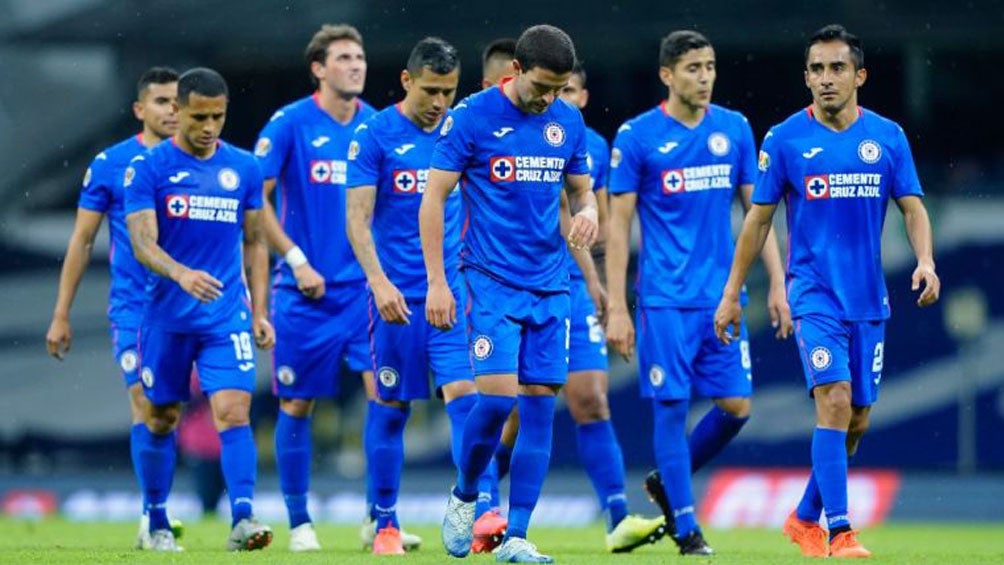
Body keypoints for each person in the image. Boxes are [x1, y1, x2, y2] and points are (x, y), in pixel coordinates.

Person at [713, 24, 940, 559]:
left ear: (859, 75)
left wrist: (926, 261)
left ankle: (803, 516)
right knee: (834, 401)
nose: (825, 79)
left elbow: (914, 208)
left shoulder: (887, 137)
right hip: (813, 296)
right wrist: (731, 293)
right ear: (806, 78)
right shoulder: (785, 139)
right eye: (816, 69)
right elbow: (756, 223)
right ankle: (840, 532)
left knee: (857, 418)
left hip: (868, 299)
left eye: (837, 68)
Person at [605, 30, 791, 555]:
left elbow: (758, 213)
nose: (705, 77)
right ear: (667, 75)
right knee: (670, 408)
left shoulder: (733, 129)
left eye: (710, 66)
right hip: (664, 300)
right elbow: (618, 227)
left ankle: (669, 480)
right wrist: (617, 306)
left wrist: (777, 281)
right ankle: (687, 529)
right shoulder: (638, 136)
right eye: (692, 68)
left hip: (721, 299)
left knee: (736, 406)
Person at [422, 24, 599, 563]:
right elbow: (433, 198)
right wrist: (436, 281)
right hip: (490, 281)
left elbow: (581, 189)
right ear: (515, 71)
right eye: (542, 86)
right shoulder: (472, 117)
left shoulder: (567, 121)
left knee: (541, 406)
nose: (549, 98)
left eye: (559, 87)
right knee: (497, 400)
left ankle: (517, 535)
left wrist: (588, 212)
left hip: (551, 285)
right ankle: (465, 493)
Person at [253, 24, 421, 552]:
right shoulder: (289, 125)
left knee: (387, 399)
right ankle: (300, 522)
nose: (356, 65)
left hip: (366, 294)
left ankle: (380, 518)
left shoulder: (377, 127)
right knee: (298, 405)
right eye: (344, 57)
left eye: (361, 57)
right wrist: (297, 259)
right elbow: (254, 202)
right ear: (319, 69)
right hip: (305, 295)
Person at [124, 67, 274, 552]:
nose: (210, 126)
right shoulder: (148, 168)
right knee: (161, 417)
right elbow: (142, 243)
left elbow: (254, 242)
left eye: (219, 116)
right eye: (200, 116)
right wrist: (181, 273)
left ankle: (244, 519)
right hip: (167, 317)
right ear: (177, 111)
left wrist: (259, 310)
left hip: (224, 316)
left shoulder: (245, 169)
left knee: (233, 411)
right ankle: (157, 520)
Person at [345, 36, 478, 556]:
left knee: (468, 402)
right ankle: (385, 524)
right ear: (406, 81)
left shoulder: (461, 132)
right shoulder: (375, 134)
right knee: (392, 406)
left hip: (452, 297)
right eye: (430, 91)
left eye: (448, 91)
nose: (440, 102)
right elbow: (356, 218)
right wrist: (378, 282)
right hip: (396, 302)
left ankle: (478, 510)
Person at [44, 67, 185, 550]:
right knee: (145, 405)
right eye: (163, 101)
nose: (173, 110)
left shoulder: (201, 162)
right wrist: (62, 313)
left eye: (177, 102)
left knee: (169, 415)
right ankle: (154, 519)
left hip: (189, 311)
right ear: (139, 109)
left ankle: (165, 508)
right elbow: (82, 240)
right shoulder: (111, 164)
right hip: (134, 309)